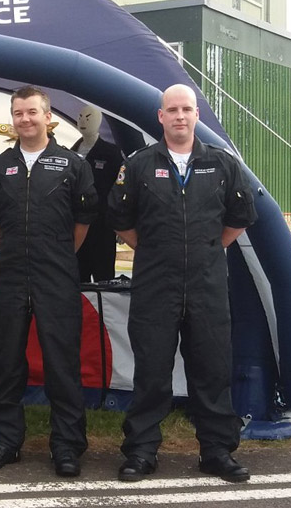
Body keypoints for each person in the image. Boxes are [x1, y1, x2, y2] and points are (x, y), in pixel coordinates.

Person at [107, 83, 257, 483]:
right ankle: (140, 452)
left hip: (207, 285)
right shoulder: (139, 164)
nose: (179, 116)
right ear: (160, 117)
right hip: (156, 285)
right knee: (152, 373)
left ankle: (216, 452)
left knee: (211, 371)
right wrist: (157, 251)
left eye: (186, 109)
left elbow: (240, 217)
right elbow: (121, 221)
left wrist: (208, 249)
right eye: (171, 110)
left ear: (196, 115)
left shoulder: (222, 163)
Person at [0, 86, 97, 477]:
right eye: (18, 113)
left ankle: (66, 446)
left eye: (32, 112)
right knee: (6, 362)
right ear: (12, 119)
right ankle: (6, 441)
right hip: (9, 274)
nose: (25, 119)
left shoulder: (71, 165)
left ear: (48, 117)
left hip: (56, 275)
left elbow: (82, 224)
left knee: (62, 364)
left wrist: (57, 255)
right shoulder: (1, 165)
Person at [70, 105, 126, 283]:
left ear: (99, 120)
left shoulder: (111, 153)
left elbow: (121, 188)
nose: (83, 121)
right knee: (78, 277)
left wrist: (121, 223)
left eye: (88, 117)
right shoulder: (71, 153)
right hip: (77, 227)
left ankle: (104, 311)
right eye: (80, 116)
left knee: (104, 278)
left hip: (103, 227)